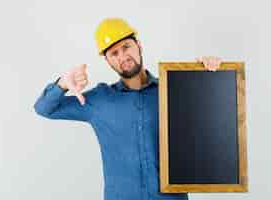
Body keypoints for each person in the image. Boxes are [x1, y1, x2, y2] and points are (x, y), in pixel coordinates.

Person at [34, 18, 222, 200]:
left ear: (139, 45)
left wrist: (209, 75)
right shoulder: (99, 100)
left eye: (126, 47)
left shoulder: (174, 91)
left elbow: (215, 112)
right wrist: (63, 84)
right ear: (107, 61)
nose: (123, 57)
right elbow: (44, 109)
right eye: (114, 53)